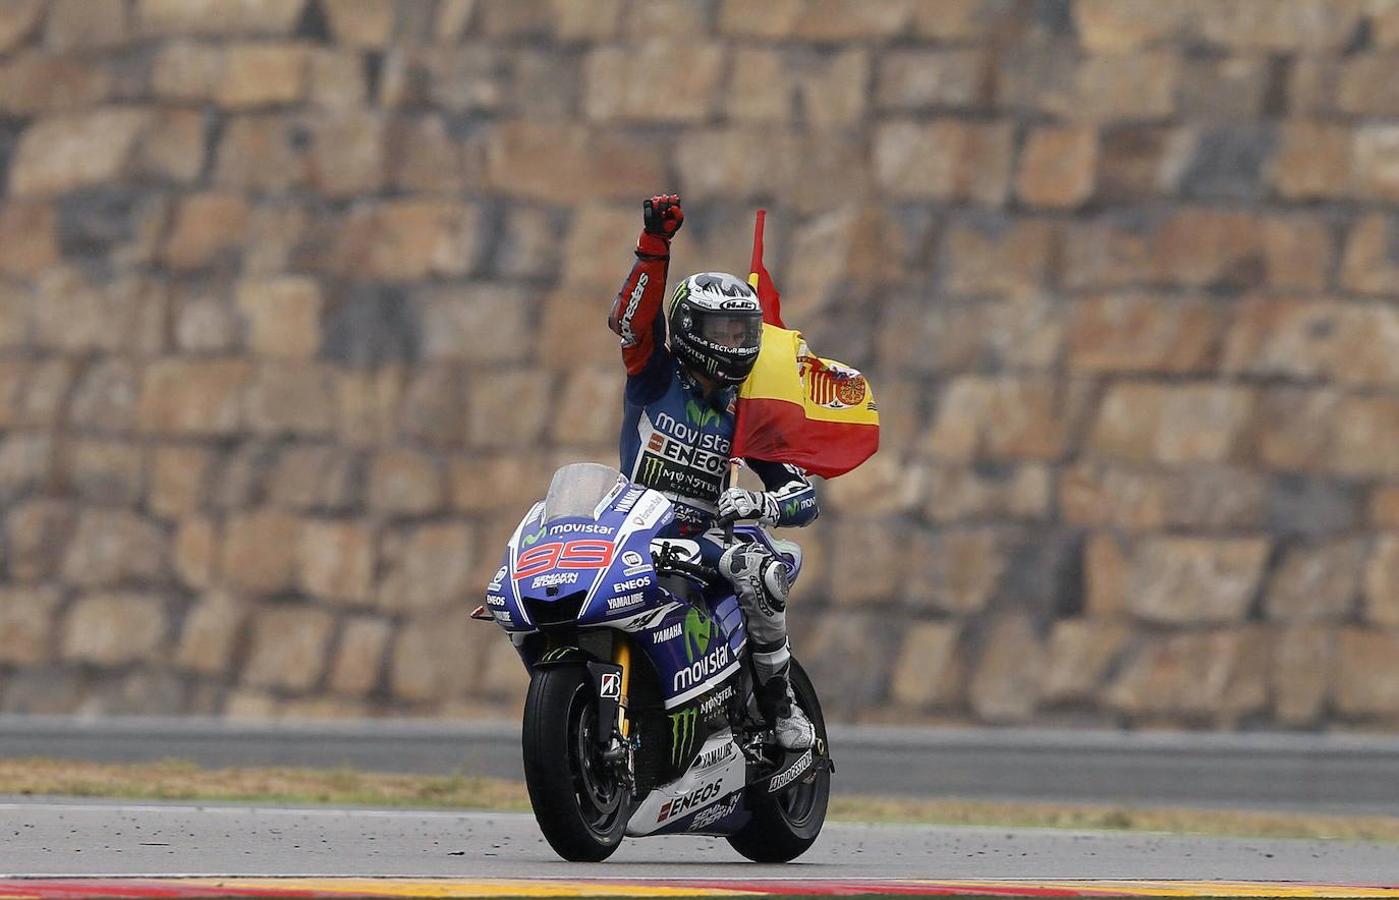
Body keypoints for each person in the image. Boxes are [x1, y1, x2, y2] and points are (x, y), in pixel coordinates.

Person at [607, 193, 818, 751]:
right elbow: (628, 321)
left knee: (757, 571)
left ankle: (779, 706)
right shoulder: (654, 376)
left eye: (742, 332)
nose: (735, 343)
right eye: (722, 331)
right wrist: (655, 244)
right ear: (688, 328)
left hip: (706, 540)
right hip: (635, 529)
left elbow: (804, 497)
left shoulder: (745, 410)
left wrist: (761, 505)